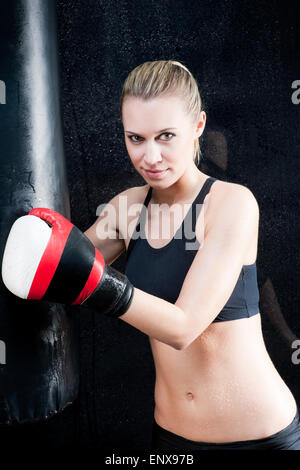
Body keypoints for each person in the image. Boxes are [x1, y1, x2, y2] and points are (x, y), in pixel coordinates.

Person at [2, 60, 300, 450]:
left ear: (197, 126)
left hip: (257, 437)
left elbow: (183, 327)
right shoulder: (128, 209)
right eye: (136, 138)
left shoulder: (231, 204)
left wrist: (100, 286)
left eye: (166, 136)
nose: (150, 156)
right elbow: (58, 268)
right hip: (171, 437)